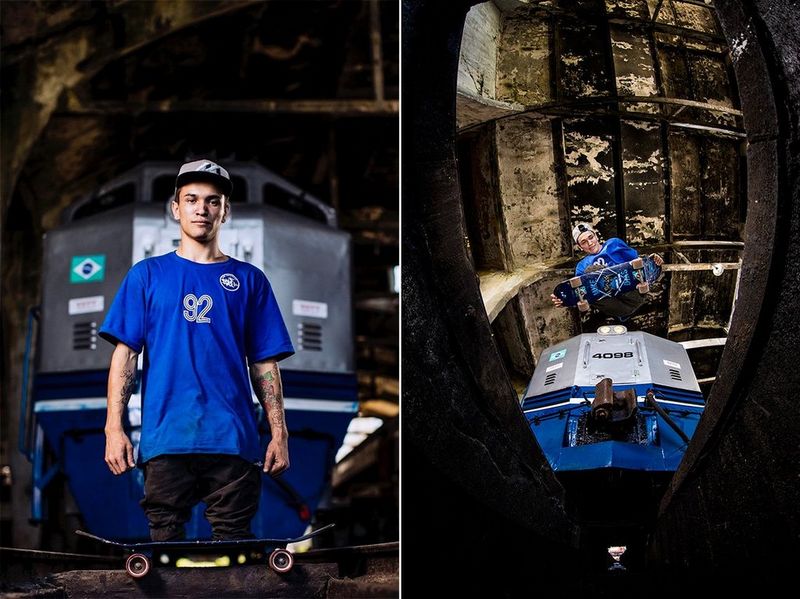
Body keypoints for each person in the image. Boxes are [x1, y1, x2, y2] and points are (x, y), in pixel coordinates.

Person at [100, 159, 295, 541]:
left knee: (236, 548)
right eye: (191, 199)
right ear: (176, 208)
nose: (201, 209)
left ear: (225, 211)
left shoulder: (249, 280)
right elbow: (126, 356)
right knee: (164, 547)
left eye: (212, 200)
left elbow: (264, 363)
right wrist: (113, 428)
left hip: (233, 439)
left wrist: (279, 433)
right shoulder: (147, 275)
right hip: (166, 438)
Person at [550, 222, 664, 319]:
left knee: (593, 270)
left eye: (591, 237)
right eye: (584, 242)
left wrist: (653, 259)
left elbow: (637, 262)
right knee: (590, 273)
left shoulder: (614, 244)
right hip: (617, 306)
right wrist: (563, 299)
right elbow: (581, 294)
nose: (590, 243)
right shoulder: (581, 266)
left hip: (634, 296)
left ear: (596, 236)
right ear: (580, 247)